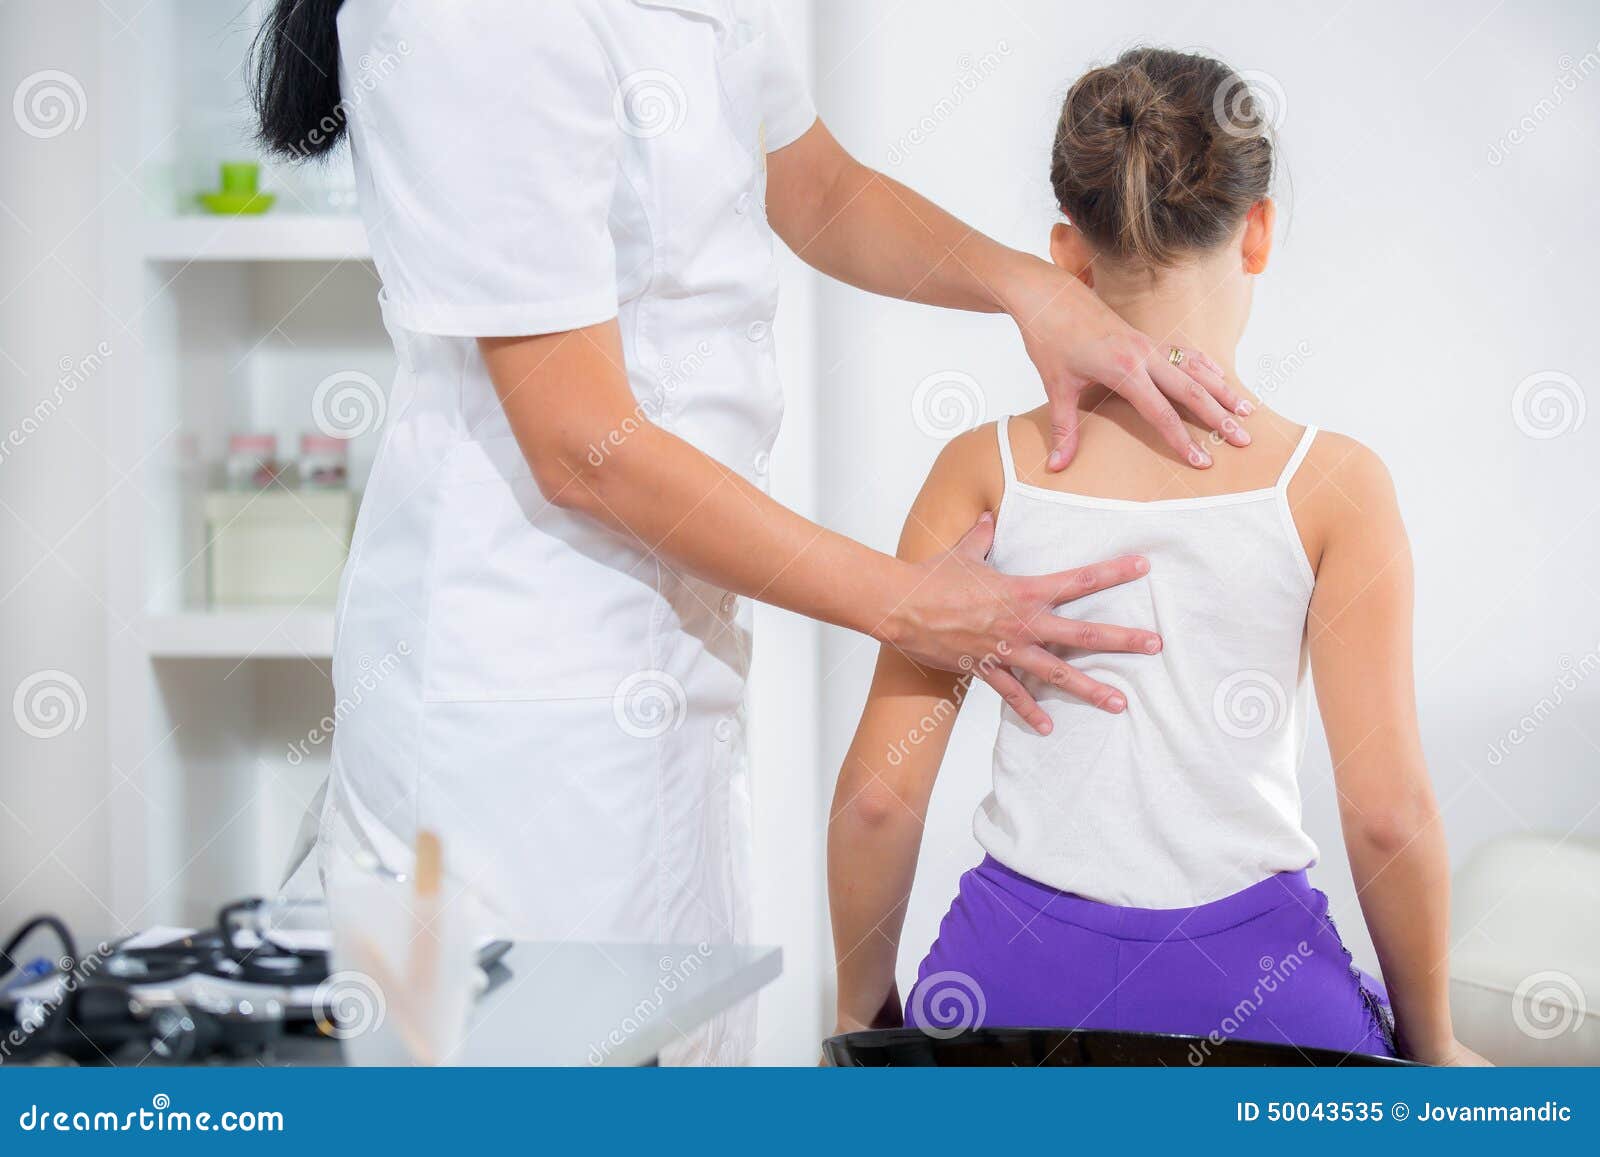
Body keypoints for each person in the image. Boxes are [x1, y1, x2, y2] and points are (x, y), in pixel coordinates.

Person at [251, 2, 1252, 1065]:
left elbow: (815, 188)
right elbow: (578, 438)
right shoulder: (469, 21)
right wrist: (902, 601)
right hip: (511, 682)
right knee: (510, 1082)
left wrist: (1032, 290)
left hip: (670, 658)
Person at [828, 46, 1488, 1065]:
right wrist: (1434, 1043)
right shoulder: (1333, 484)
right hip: (1266, 1001)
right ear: (1258, 231)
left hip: (1003, 990)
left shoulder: (981, 470)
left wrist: (861, 1011)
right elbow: (1389, 816)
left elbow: (878, 797)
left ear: (1065, 253)